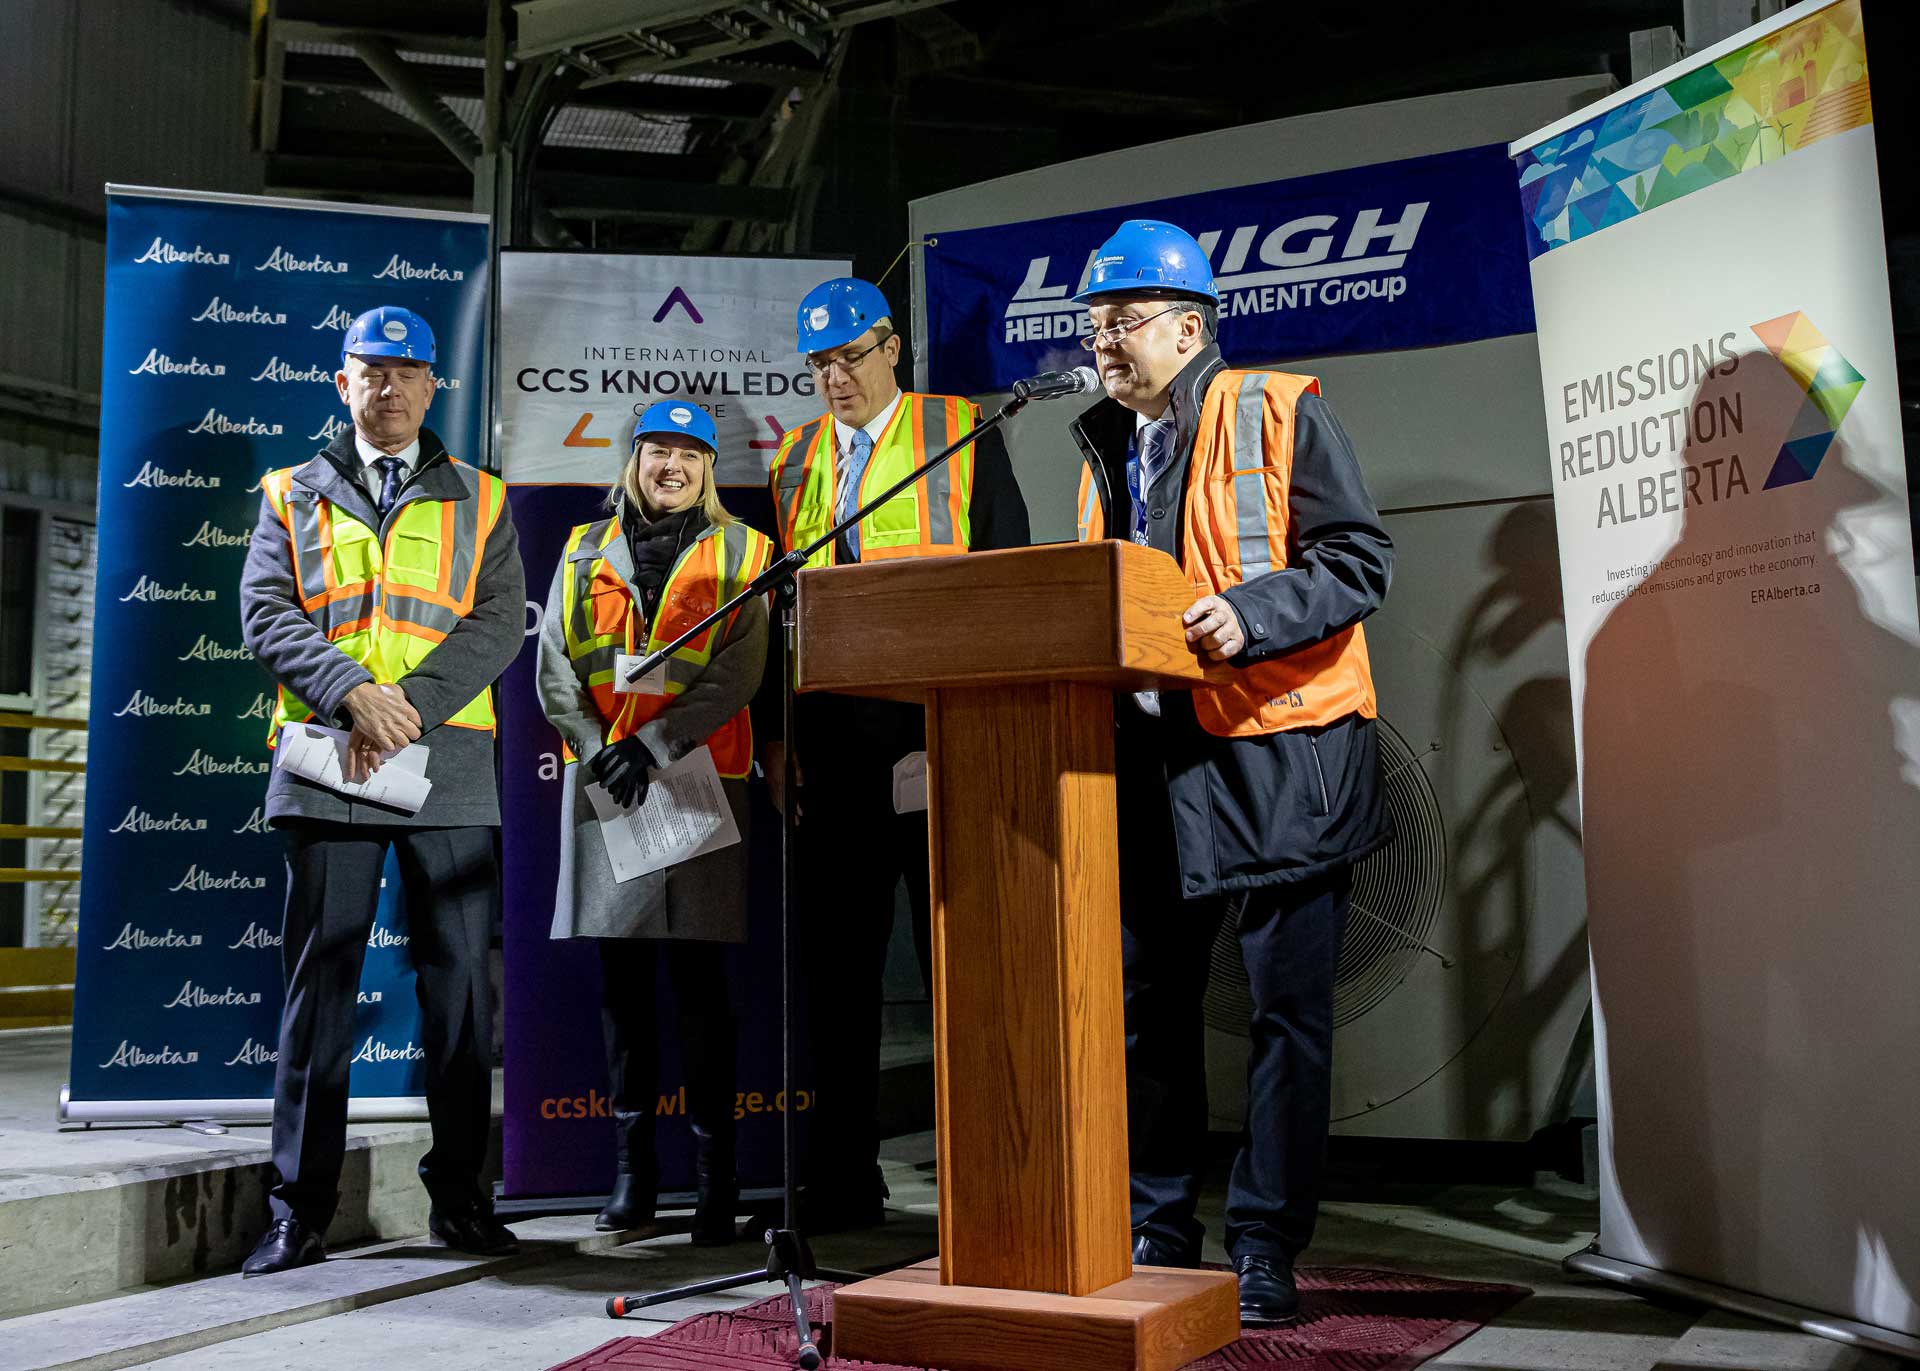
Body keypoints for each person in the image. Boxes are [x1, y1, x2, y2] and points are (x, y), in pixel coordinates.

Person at [1066, 221, 1394, 1324]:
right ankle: (1160, 1225)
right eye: (1096, 323)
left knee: (1283, 1017)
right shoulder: (1102, 445)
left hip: (1283, 756)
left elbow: (1357, 562)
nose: (1104, 341)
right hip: (1152, 765)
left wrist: (1247, 616)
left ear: (1190, 325)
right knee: (1147, 1009)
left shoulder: (1278, 407)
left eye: (1125, 321)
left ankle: (1264, 1244)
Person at [238, 305, 526, 1275]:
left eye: (408, 372)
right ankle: (298, 1212)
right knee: (320, 994)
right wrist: (352, 694)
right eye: (373, 371)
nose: (390, 387)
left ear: (433, 385)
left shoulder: (482, 498)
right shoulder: (290, 491)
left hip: (443, 766)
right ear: (342, 382)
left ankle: (463, 1204)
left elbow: (494, 627)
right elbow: (264, 613)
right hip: (330, 764)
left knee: (457, 1002)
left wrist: (406, 705)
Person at [761, 276, 1029, 1231]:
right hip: (832, 743)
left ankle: (986, 1174)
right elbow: (776, 610)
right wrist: (777, 729)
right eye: (820, 364)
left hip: (938, 733)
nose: (837, 378)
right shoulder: (794, 463)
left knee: (965, 964)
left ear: (892, 350)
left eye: (851, 357)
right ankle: (841, 1177)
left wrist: (991, 722)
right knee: (838, 973)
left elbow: (1010, 576)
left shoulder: (958, 431)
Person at [536, 401, 771, 1244]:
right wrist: (602, 747)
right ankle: (633, 1179)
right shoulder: (579, 548)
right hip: (609, 786)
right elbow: (556, 665)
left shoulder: (747, 551)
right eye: (656, 450)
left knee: (704, 995)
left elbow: (742, 668)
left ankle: (716, 1189)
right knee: (623, 991)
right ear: (633, 460)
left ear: (709, 467)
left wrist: (657, 743)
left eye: (688, 452)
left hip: (702, 781)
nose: (670, 465)